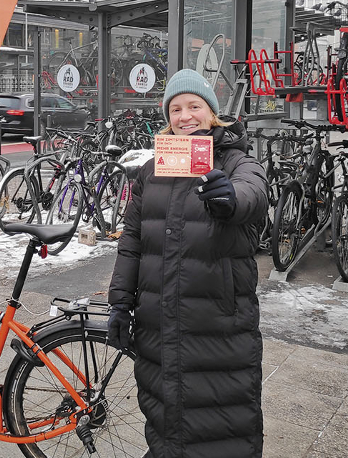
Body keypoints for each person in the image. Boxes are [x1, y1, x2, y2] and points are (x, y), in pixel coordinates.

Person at [107, 68, 267, 458]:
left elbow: (254, 194)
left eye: (195, 106)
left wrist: (229, 197)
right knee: (165, 419)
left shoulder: (235, 161)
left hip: (215, 325)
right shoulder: (151, 171)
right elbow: (131, 242)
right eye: (175, 109)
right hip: (157, 324)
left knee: (221, 424)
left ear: (212, 112)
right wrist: (120, 304)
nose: (185, 117)